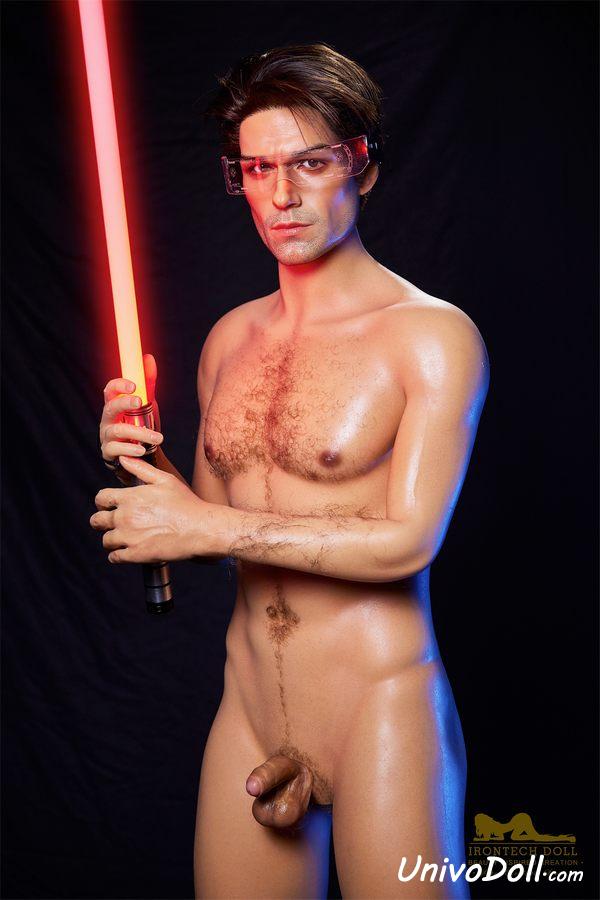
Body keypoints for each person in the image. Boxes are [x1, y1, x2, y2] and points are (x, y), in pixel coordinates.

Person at [91, 43, 489, 899]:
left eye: (310, 163)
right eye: (258, 168)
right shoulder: (228, 340)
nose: (281, 194)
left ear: (362, 167)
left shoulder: (431, 337)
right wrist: (148, 467)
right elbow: (213, 533)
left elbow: (408, 544)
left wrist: (204, 523)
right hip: (252, 710)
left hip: (380, 710)